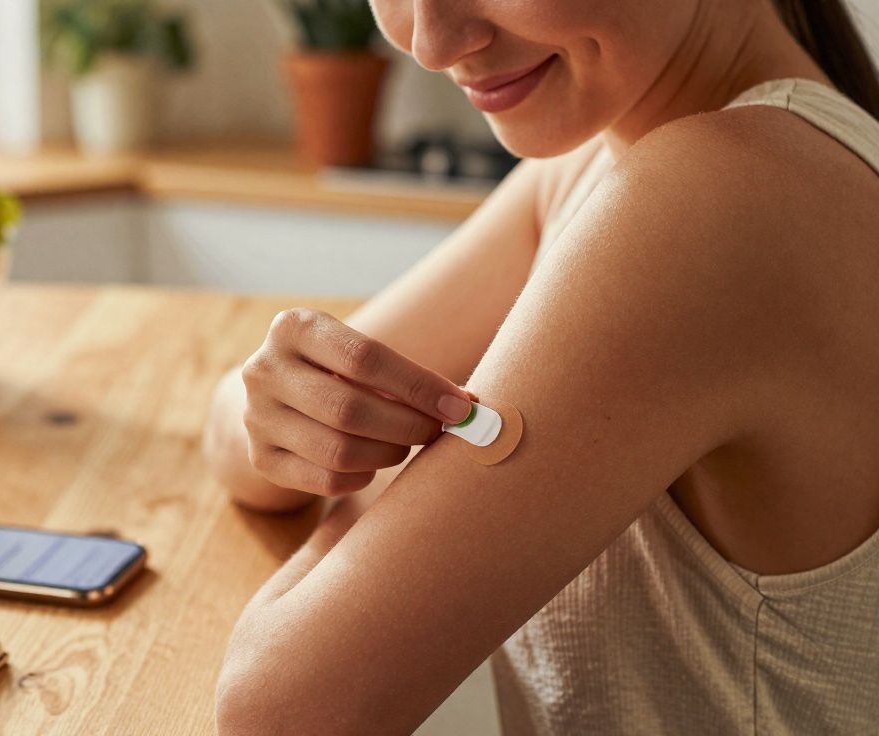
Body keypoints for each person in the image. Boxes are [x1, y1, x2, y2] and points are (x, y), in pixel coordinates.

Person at [204, 0, 879, 733]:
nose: (429, 44)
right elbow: (236, 426)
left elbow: (284, 709)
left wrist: (389, 492)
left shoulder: (720, 198)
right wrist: (289, 420)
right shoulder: (595, 158)